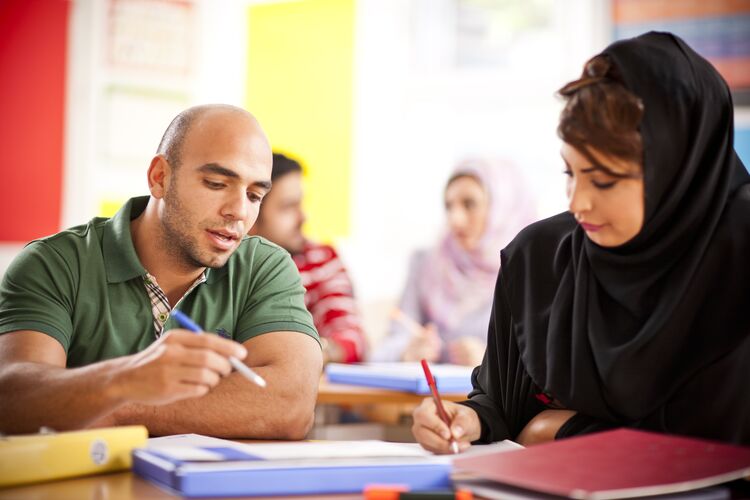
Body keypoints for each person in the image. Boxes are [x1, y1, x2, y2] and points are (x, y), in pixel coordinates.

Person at [412, 32, 750, 452]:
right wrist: (470, 419)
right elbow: (502, 404)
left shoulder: (737, 259)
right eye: (570, 173)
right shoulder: (538, 261)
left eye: (604, 180)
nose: (578, 204)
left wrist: (550, 431)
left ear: (678, 172)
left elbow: (716, 439)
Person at [0, 105, 323, 438]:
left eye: (254, 195)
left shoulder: (266, 267)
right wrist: (127, 378)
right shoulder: (54, 263)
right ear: (160, 178)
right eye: (215, 183)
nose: (239, 211)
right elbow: (13, 400)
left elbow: (290, 407)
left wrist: (115, 403)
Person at [371, 159, 535, 367]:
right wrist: (407, 350)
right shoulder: (425, 263)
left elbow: (544, 364)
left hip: (495, 400)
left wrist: (492, 361)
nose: (455, 219)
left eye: (469, 204)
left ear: (502, 208)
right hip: (432, 398)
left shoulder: (527, 273)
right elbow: (382, 351)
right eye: (449, 206)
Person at [249, 152, 366, 364]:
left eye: (301, 203)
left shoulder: (322, 260)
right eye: (288, 207)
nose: (303, 217)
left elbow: (351, 338)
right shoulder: (225, 265)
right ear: (252, 212)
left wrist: (311, 353)